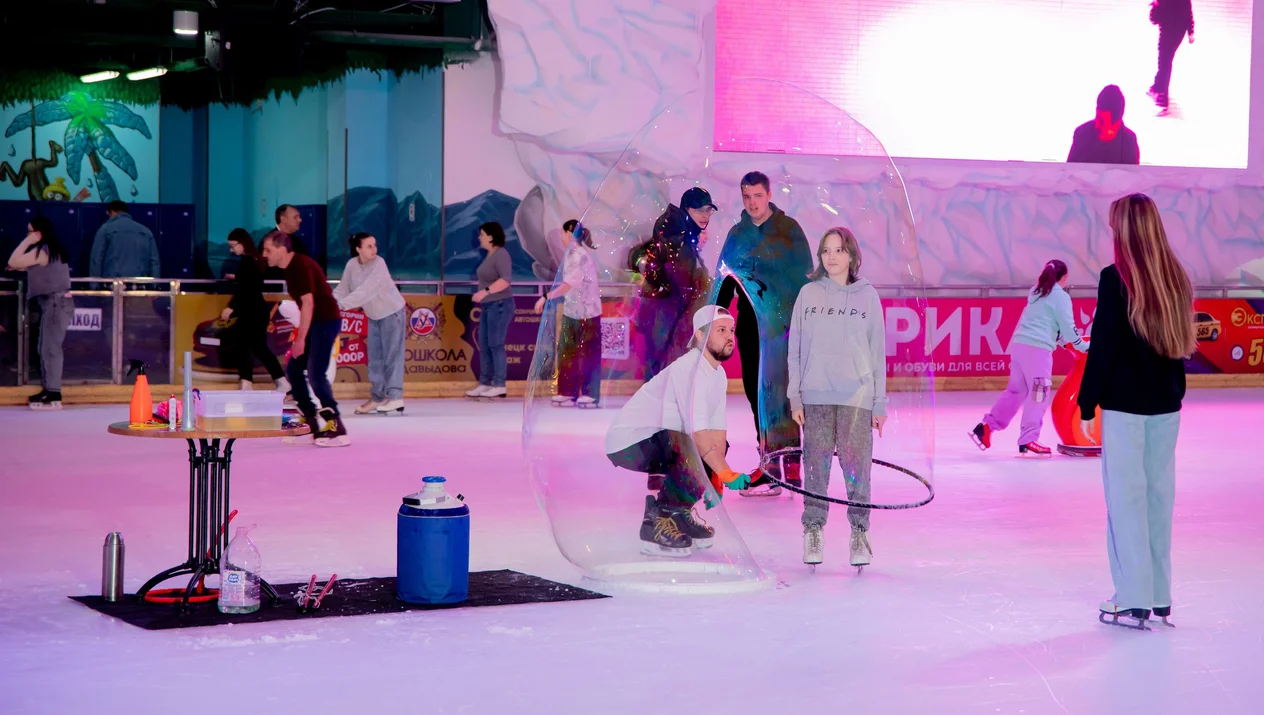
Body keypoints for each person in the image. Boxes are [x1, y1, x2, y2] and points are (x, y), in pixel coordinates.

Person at [1079, 193, 1194, 628]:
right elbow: (1178, 348)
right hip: (1166, 408)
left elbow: (1103, 347)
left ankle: (1132, 595)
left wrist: (1086, 401)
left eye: (1114, 226)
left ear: (1124, 231)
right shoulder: (1175, 277)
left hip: (1127, 410)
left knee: (1126, 501)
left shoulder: (1116, 279)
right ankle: (1158, 593)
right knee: (1158, 498)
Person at [605, 306, 755, 556]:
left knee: (710, 448)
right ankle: (658, 522)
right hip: (629, 443)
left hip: (662, 440)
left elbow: (717, 434)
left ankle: (678, 513)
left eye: (731, 330)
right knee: (692, 444)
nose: (730, 336)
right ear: (700, 336)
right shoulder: (690, 368)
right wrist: (724, 472)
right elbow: (698, 435)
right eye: (721, 330)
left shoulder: (718, 375)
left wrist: (716, 478)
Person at [788, 227, 887, 568]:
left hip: (856, 397)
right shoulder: (808, 294)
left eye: (839, 250)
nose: (831, 257)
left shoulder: (867, 296)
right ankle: (813, 530)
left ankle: (859, 532)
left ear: (852, 255)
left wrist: (879, 402)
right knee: (815, 467)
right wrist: (795, 396)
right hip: (815, 395)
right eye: (826, 250)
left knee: (857, 469)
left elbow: (877, 353)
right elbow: (794, 349)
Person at [715, 171, 813, 495]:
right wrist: (715, 316)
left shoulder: (789, 231)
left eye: (758, 195)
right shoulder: (738, 234)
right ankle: (770, 466)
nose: (752, 202)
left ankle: (792, 466)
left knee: (783, 395)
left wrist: (803, 321)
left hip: (783, 328)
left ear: (769, 195)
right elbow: (726, 280)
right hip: (750, 327)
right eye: (747, 196)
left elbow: (804, 278)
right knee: (756, 393)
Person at [971, 259, 1089, 456]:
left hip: (1020, 346)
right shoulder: (1060, 296)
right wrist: (1084, 346)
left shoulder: (1037, 291)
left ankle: (987, 426)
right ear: (1064, 277)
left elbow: (1047, 325)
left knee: (1015, 391)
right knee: (1038, 394)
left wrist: (1063, 342)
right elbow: (1068, 329)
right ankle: (1029, 439)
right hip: (1038, 350)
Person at [261, 230, 349, 447]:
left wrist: (300, 339)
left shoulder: (299, 267)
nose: (264, 255)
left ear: (282, 250)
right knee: (294, 369)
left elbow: (308, 303)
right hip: (318, 323)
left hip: (325, 321)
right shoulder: (292, 268)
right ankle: (311, 420)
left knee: (316, 372)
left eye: (268, 250)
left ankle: (335, 425)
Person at [628, 187, 716, 380]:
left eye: (708, 210)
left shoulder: (681, 239)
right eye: (699, 210)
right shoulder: (677, 242)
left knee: (664, 379)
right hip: (669, 326)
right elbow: (682, 290)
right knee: (666, 379)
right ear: (686, 210)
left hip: (668, 326)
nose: (705, 215)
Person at [335, 232, 408, 415]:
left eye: (374, 245)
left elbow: (366, 291)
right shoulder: (352, 265)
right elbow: (342, 289)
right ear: (358, 249)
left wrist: (341, 305)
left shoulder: (379, 264)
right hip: (374, 316)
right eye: (369, 246)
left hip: (392, 312)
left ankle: (395, 397)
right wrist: (329, 302)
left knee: (392, 356)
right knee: (375, 359)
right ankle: (377, 398)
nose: (374, 249)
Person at [6, 217, 74, 409]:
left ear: (38, 233)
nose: (27, 235)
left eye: (30, 231)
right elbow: (18, 264)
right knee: (45, 347)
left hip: (56, 303)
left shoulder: (42, 250)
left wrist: (27, 241)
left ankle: (53, 391)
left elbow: (13, 260)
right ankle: (49, 389)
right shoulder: (49, 251)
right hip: (55, 303)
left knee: (50, 348)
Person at [535, 220, 602, 407]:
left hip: (588, 312)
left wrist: (546, 297)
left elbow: (569, 284)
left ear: (570, 233)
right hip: (572, 311)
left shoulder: (581, 255)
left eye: (563, 233)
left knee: (588, 354)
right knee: (567, 352)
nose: (561, 237)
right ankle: (567, 391)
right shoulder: (571, 255)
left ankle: (590, 393)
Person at [221, 229, 288, 393]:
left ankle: (252, 382)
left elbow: (247, 289)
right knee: (250, 345)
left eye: (233, 246)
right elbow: (251, 281)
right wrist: (237, 277)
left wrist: (232, 308)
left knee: (252, 346)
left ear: (242, 243)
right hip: (255, 311)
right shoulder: (252, 260)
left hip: (252, 311)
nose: (231, 250)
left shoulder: (248, 261)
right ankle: (251, 382)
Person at [466, 222, 513, 400]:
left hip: (500, 305)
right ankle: (485, 382)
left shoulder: (501, 254)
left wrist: (485, 292)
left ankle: (499, 384)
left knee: (496, 344)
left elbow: (505, 280)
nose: (479, 237)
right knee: (484, 346)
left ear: (491, 237)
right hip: (488, 306)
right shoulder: (490, 255)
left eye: (482, 234)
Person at [1067, 85, 1140, 165]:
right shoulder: (1082, 133)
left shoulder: (1129, 139)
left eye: (1105, 119)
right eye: (1100, 116)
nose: (1098, 124)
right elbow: (1070, 168)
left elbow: (1131, 171)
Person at [90, 200, 160, 278]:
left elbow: (96, 259)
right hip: (140, 282)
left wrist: (94, 283)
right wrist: (155, 283)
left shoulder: (105, 229)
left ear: (112, 212)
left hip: (113, 282)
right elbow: (154, 262)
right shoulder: (146, 231)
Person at [1149, 0, 1195, 113]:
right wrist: (1190, 32)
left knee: (1165, 61)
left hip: (1169, 31)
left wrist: (1155, 6)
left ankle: (1162, 95)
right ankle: (1157, 88)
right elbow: (1188, 12)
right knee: (1166, 60)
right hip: (1178, 32)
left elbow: (1154, 19)